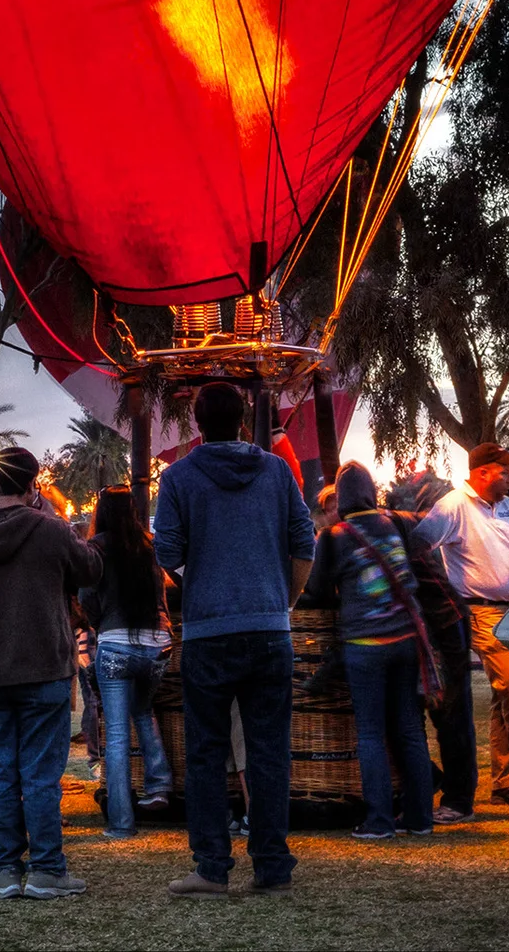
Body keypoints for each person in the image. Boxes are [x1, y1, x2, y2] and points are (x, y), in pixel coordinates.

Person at [153, 382, 315, 898]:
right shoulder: (275, 470)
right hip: (270, 631)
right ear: (244, 418)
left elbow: (167, 551)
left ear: (196, 423)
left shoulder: (178, 477)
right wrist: (283, 601)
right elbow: (303, 539)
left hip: (209, 633)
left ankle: (212, 868)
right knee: (269, 751)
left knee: (205, 751)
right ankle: (273, 870)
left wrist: (199, 580)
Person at [0, 446, 102, 897]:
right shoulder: (51, 530)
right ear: (32, 483)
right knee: (40, 776)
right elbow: (91, 568)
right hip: (44, 668)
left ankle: (5, 870)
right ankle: (48, 870)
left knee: (1, 774)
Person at [302, 462, 439, 841]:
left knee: (371, 734)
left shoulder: (334, 536)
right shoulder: (393, 523)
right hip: (407, 639)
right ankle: (420, 819)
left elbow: (314, 591)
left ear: (342, 499)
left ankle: (379, 821)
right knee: (410, 731)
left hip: (366, 645)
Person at [416, 441, 509, 808]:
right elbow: (419, 545)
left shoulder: (506, 506)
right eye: (504, 471)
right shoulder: (454, 505)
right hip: (481, 612)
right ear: (483, 472)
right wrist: (440, 593)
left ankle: (505, 783)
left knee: (503, 696)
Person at [80, 485, 173, 838]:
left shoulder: (97, 548)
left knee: (117, 734)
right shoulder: (150, 545)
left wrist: (99, 622)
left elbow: (86, 595)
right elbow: (163, 591)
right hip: (158, 647)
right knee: (143, 710)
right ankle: (160, 787)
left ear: (100, 512)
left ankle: (121, 823)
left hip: (116, 646)